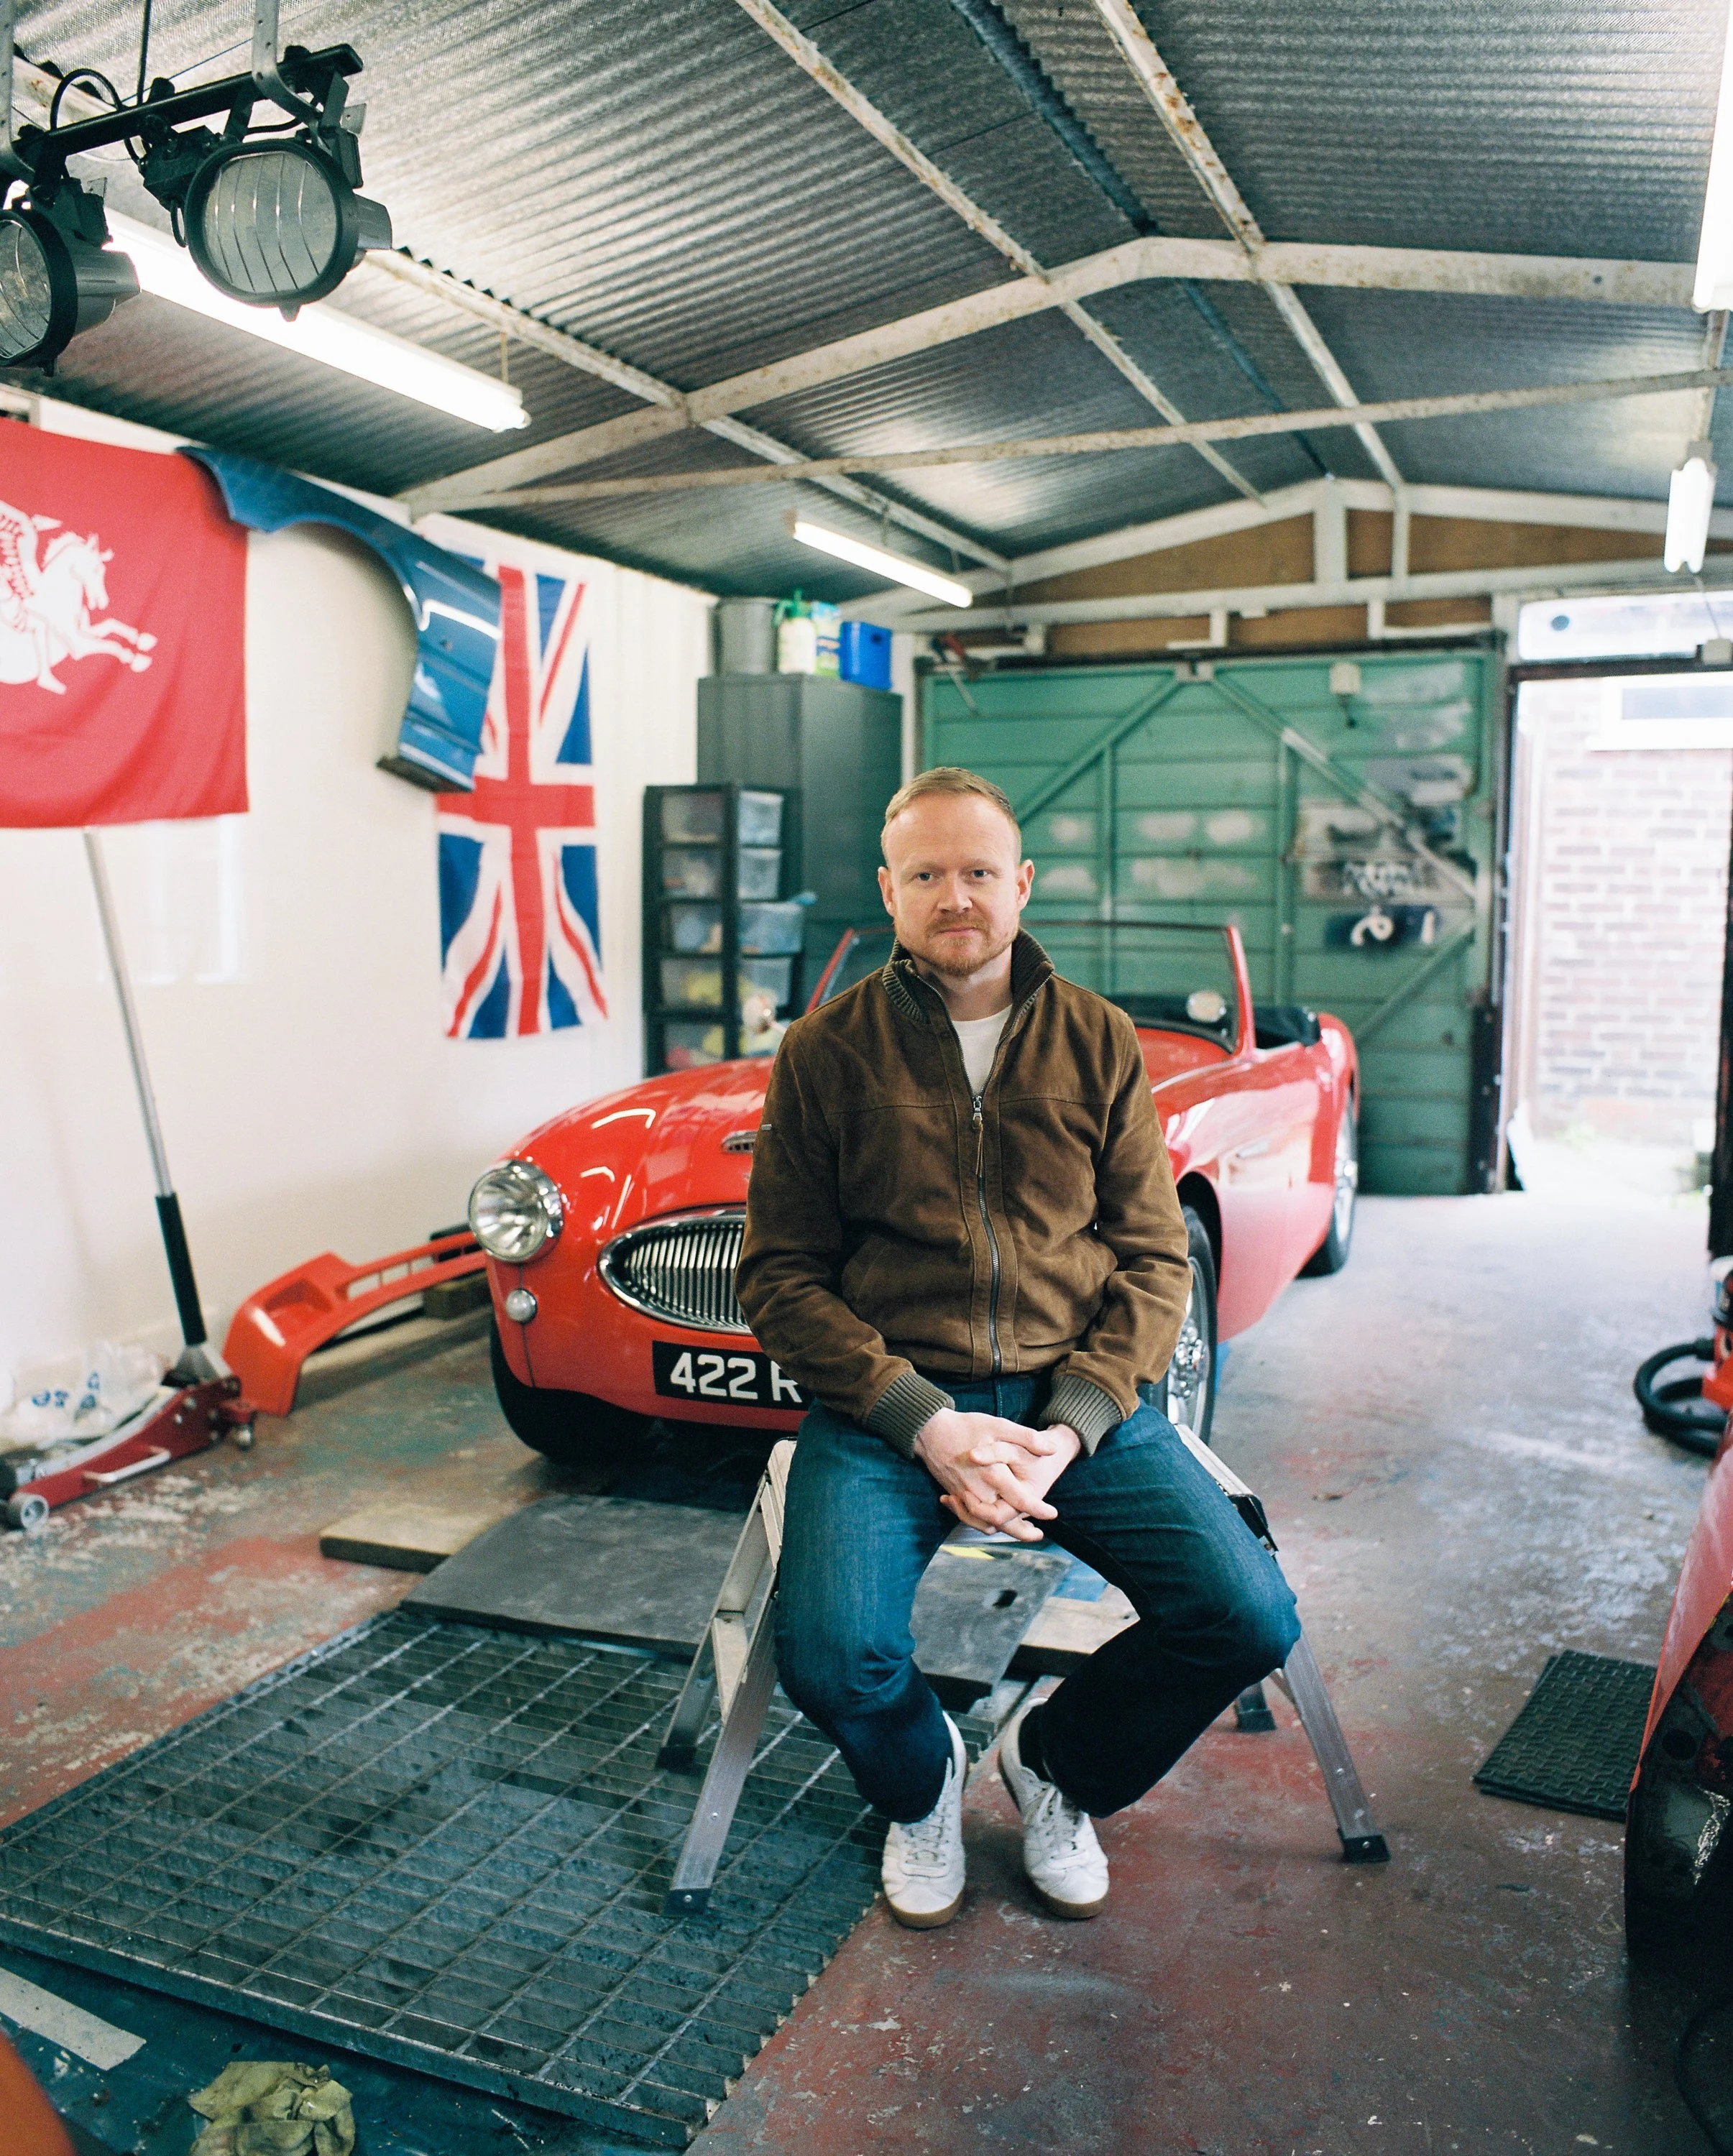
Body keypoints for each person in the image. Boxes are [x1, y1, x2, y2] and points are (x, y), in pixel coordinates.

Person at [735, 768, 1300, 1927]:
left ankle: (1053, 1765)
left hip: (1072, 1402)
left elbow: (1155, 1262)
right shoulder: (825, 1051)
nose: (956, 896)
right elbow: (780, 1281)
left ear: (1021, 883)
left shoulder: (1096, 1041)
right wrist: (922, 1422)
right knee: (833, 1657)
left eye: (978, 872)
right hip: (891, 1407)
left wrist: (1071, 1425)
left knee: (1244, 1619)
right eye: (927, 874)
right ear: (887, 890)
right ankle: (920, 1782)